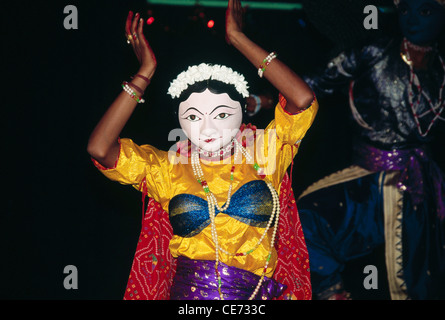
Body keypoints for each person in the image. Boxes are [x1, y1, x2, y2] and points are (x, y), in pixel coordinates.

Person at [87, 0, 318, 300]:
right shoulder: (168, 168)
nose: (207, 128)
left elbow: (302, 100)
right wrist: (145, 73)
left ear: (243, 112)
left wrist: (238, 38)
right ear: (180, 121)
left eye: (221, 115)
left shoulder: (267, 151)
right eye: (193, 117)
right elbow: (99, 148)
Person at [297, 0, 445, 299]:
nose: (412, 19)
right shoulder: (375, 51)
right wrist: (264, 100)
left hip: (420, 188)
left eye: (425, 11)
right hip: (367, 182)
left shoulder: (441, 68)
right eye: (405, 11)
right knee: (302, 220)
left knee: (416, 283)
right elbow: (314, 84)